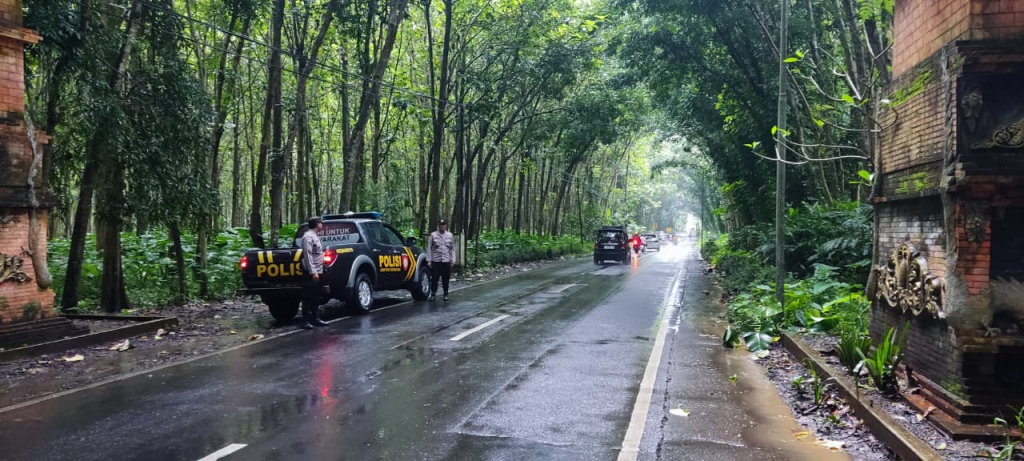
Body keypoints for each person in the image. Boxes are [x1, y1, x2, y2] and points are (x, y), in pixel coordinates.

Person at [299, 217, 330, 329]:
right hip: (311, 272)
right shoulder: (307, 237)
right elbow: (308, 256)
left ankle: (316, 318)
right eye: (321, 223)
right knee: (308, 295)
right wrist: (313, 272)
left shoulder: (315, 236)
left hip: (319, 269)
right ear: (317, 224)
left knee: (317, 295)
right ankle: (305, 320)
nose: (322, 225)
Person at [426, 219, 455, 301]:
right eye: (441, 225)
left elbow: (452, 248)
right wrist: (429, 260)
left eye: (444, 225)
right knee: (434, 278)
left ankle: (446, 294)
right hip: (436, 260)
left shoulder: (450, 235)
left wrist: (453, 259)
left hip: (446, 260)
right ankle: (433, 294)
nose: (442, 226)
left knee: (446, 278)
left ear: (446, 226)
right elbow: (429, 248)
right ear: (438, 226)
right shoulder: (433, 235)